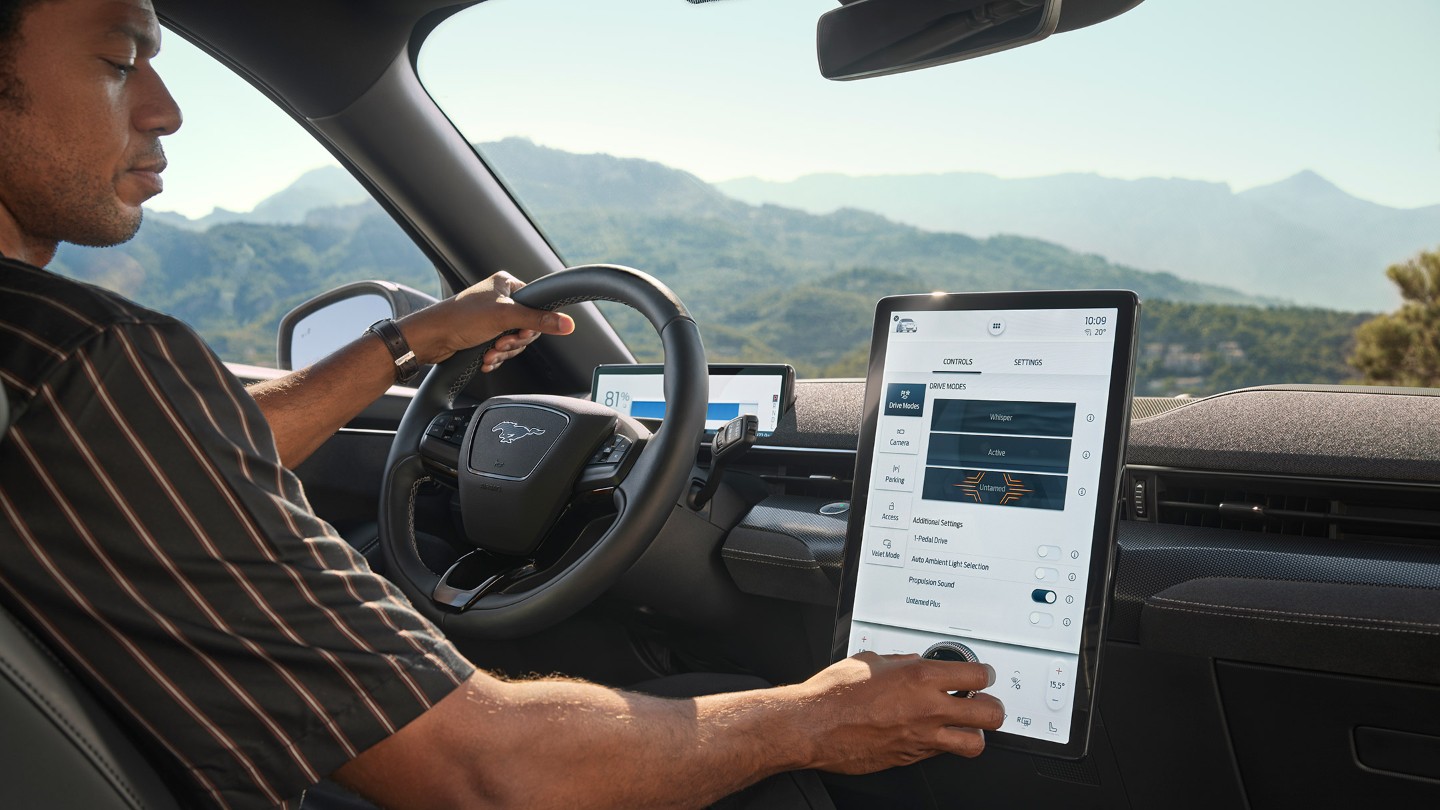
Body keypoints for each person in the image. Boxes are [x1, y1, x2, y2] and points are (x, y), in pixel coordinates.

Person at [0, 0, 1005, 808]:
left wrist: (405, 341)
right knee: (769, 775)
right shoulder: (94, 360)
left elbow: (174, 471)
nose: (166, 109)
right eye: (120, 58)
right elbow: (484, 772)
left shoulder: (40, 378)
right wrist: (817, 715)